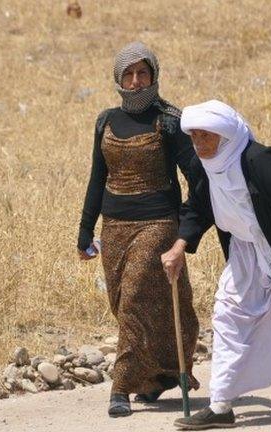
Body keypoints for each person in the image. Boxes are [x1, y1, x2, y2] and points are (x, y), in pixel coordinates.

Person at [161, 100, 271, 429]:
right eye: (193, 137)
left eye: (205, 137)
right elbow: (198, 206)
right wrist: (180, 246)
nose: (198, 144)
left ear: (224, 136)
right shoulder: (204, 166)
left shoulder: (261, 162)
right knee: (227, 315)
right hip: (244, 253)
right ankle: (221, 405)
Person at [77, 41, 200, 418]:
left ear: (154, 76)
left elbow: (196, 177)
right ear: (118, 79)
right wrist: (84, 232)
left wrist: (186, 229)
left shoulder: (170, 121)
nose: (135, 81)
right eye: (128, 75)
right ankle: (157, 377)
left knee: (132, 299)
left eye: (142, 73)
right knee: (124, 304)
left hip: (157, 224)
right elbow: (98, 179)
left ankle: (122, 388)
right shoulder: (106, 121)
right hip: (113, 228)